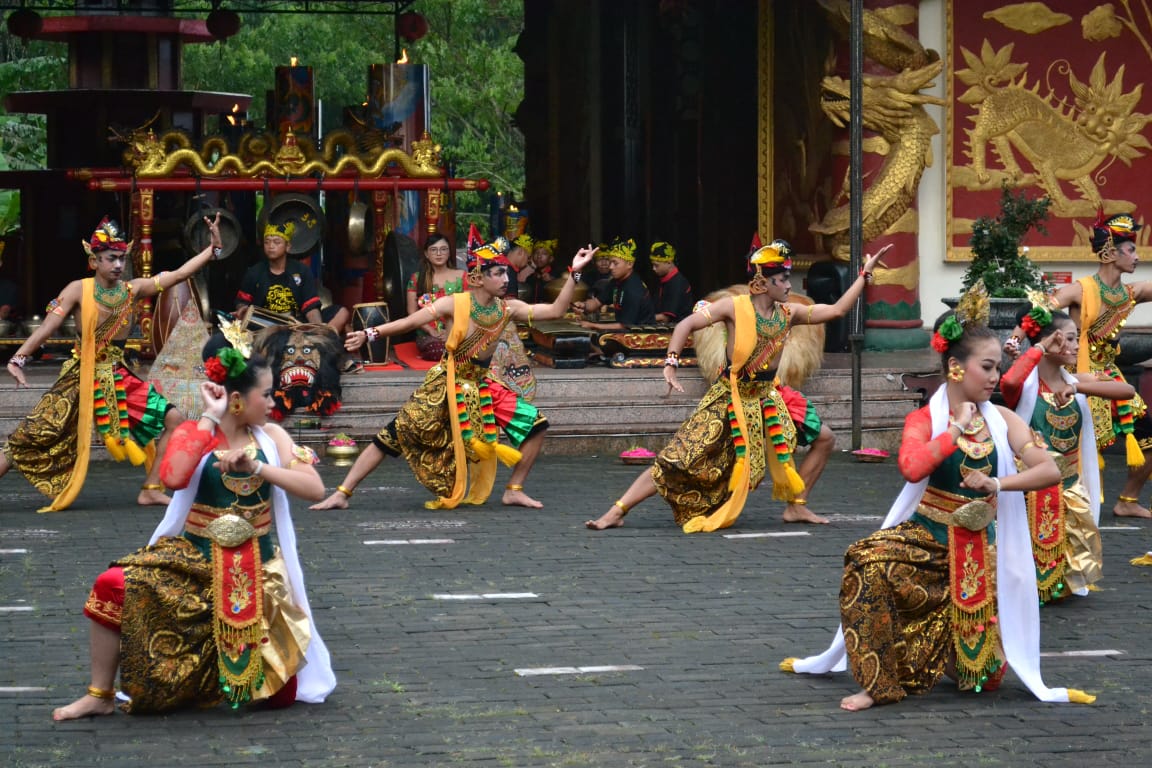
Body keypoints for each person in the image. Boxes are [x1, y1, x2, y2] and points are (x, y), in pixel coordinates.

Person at [782, 292, 1094, 711]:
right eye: (987, 367)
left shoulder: (1002, 419)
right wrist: (955, 430)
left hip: (980, 550)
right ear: (955, 367)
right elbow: (912, 468)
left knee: (982, 680)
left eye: (997, 368)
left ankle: (939, 646)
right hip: (929, 537)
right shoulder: (926, 420)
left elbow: (1049, 470)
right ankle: (878, 684)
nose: (994, 377)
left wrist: (998, 483)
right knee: (865, 561)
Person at [51, 342, 334, 720]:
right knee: (111, 584)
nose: (273, 402)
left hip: (258, 570)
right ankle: (99, 694)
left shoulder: (272, 438)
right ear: (237, 400)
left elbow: (315, 489)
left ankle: (208, 675)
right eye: (266, 394)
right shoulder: (195, 432)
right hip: (195, 563)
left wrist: (257, 468)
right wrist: (209, 418)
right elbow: (173, 477)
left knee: (279, 697)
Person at [585, 239, 889, 532]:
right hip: (729, 397)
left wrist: (864, 276)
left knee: (825, 438)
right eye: (783, 279)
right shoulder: (733, 307)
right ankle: (616, 512)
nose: (789, 286)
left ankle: (796, 506)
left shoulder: (789, 313)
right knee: (677, 458)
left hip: (769, 397)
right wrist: (671, 362)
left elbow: (836, 310)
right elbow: (686, 324)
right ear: (764, 282)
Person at [334, 232, 597, 510]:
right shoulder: (454, 303)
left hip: (483, 385)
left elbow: (556, 310)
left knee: (537, 425)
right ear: (478, 278)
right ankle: (342, 493)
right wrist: (368, 334)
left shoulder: (508, 308)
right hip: (447, 383)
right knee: (393, 435)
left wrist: (575, 273)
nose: (506, 279)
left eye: (506, 273)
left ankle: (514, 490)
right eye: (498, 273)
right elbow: (410, 322)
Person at [1, 215, 222, 511]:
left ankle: (151, 489)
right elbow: (47, 328)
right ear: (94, 261)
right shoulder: (77, 289)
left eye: (121, 258)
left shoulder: (133, 290)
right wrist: (18, 359)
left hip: (119, 377)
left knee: (175, 419)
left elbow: (180, 274)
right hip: (81, 377)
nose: (118, 265)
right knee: (29, 434)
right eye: (110, 259)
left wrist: (212, 249)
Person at [1006, 211, 1152, 518]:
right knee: (1071, 444)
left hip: (1108, 375)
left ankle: (1127, 500)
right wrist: (1016, 340)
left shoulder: (1131, 293)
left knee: (1148, 439)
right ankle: (1058, 503)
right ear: (1110, 254)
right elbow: (1037, 312)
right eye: (1131, 250)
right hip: (1074, 375)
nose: (1137, 257)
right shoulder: (1080, 290)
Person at [1001, 304, 1133, 599]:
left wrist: (1077, 389)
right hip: (1031, 486)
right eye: (1069, 339)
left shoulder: (1075, 381)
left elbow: (1127, 391)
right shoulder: (1026, 386)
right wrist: (1039, 348)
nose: (1076, 346)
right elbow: (1008, 381)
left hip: (1069, 485)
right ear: (1050, 342)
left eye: (1075, 339)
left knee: (1067, 559)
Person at [236, 221, 350, 333]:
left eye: (276, 242)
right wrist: (243, 309)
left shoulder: (302, 271)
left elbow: (310, 306)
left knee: (342, 312)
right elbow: (242, 302)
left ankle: (321, 337)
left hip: (297, 324)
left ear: (288, 246)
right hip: (265, 326)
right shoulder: (254, 272)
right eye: (267, 242)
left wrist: (317, 328)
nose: (271, 246)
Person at [406, 232, 466, 361]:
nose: (439, 254)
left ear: (449, 253)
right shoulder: (417, 278)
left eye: (443, 249)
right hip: (429, 334)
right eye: (434, 250)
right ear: (426, 254)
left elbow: (470, 308)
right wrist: (431, 330)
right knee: (438, 351)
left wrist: (451, 331)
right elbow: (412, 312)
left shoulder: (462, 276)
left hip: (458, 331)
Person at [579, 237, 655, 332]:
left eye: (615, 263)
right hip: (625, 332)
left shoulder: (633, 289)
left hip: (641, 335)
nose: (610, 267)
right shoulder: (616, 281)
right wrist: (582, 306)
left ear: (629, 264)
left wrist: (592, 325)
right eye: (611, 262)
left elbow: (625, 326)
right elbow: (597, 302)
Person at [649, 241, 694, 324]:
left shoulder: (677, 283)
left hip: (678, 328)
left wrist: (644, 318)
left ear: (669, 263)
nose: (653, 268)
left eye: (656, 265)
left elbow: (665, 318)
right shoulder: (663, 279)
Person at [521, 238, 557, 303]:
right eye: (536, 253)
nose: (539, 256)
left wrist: (552, 281)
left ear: (551, 259)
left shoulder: (556, 276)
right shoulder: (530, 278)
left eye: (544, 254)